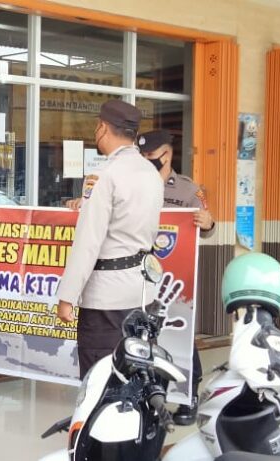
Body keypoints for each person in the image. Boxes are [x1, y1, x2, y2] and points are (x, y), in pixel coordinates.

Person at [55, 99, 164, 378]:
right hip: (142, 291)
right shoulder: (150, 172)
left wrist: (67, 296)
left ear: (102, 128)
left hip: (106, 299)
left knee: (100, 379)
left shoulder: (104, 175)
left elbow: (88, 241)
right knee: (136, 373)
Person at [136, 129, 213, 425]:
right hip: (137, 271)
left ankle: (188, 393)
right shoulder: (133, 184)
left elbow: (207, 228)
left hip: (174, 278)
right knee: (141, 332)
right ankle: (149, 392)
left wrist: (208, 223)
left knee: (177, 333)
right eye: (142, 155)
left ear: (166, 155)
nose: (146, 160)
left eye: (150, 155)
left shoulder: (187, 190)